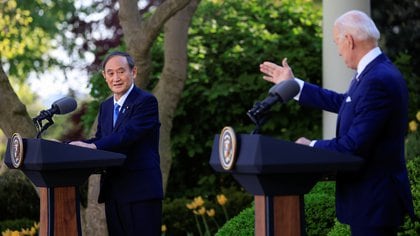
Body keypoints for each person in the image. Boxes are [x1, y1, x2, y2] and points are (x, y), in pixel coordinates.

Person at [260, 10, 414, 236]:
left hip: (374, 202)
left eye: (336, 43)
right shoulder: (374, 72)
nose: (339, 52)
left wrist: (310, 147)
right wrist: (294, 86)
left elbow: (352, 145)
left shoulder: (377, 79)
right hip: (372, 201)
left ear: (349, 41)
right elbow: (345, 103)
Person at [70, 51, 163, 235]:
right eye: (110, 73)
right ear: (105, 77)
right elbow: (101, 139)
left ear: (133, 72)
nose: (116, 78)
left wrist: (93, 146)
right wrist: (70, 146)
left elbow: (127, 135)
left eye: (121, 71)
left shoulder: (146, 102)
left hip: (140, 192)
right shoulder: (105, 106)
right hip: (114, 192)